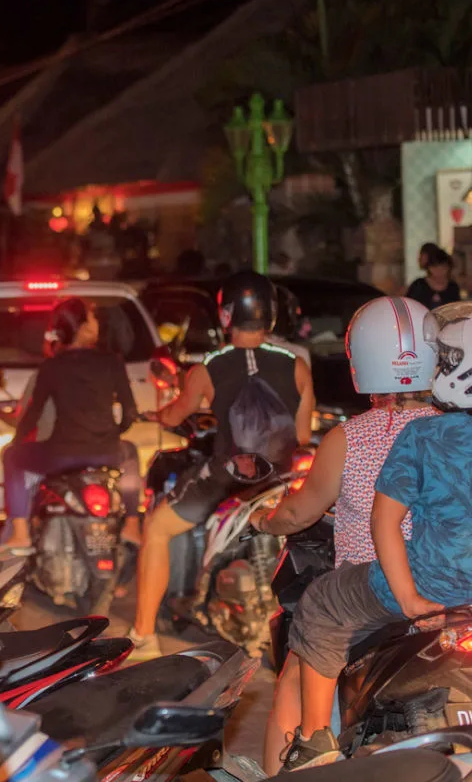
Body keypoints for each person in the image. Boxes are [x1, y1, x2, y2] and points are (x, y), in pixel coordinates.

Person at [277, 300, 472, 771]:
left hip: (417, 588)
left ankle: (310, 744)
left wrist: (406, 596)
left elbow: (371, 519)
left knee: (313, 621)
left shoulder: (370, 437)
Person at [129, 270, 315, 660]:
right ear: (272, 314)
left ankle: (144, 634)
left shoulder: (208, 369)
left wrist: (159, 414)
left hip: (228, 477)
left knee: (156, 527)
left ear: (226, 315)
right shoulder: (297, 366)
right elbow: (301, 434)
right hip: (280, 478)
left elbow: (177, 413)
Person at [0, 297, 138, 556]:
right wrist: (111, 434)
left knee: (12, 458)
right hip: (107, 451)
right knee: (131, 452)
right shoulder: (112, 362)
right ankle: (132, 523)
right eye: (92, 319)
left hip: (60, 456)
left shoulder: (51, 366)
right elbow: (130, 413)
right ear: (83, 327)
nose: (97, 324)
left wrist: (17, 442)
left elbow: (32, 415)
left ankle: (20, 533)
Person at [406, 244, 461, 309]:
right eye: (435, 267)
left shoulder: (453, 287)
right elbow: (408, 306)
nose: (439, 271)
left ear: (448, 268)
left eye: (443, 267)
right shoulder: (418, 285)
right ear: (429, 268)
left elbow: (457, 310)